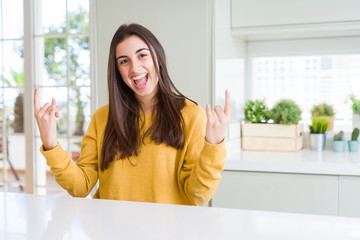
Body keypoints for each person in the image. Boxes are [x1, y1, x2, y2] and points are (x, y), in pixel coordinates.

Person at [34, 23, 231, 206]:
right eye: (124, 61)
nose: (135, 68)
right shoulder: (102, 118)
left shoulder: (191, 116)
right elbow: (80, 187)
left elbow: (198, 195)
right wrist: (51, 143)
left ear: (158, 58)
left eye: (142, 55)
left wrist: (214, 145)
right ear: (118, 70)